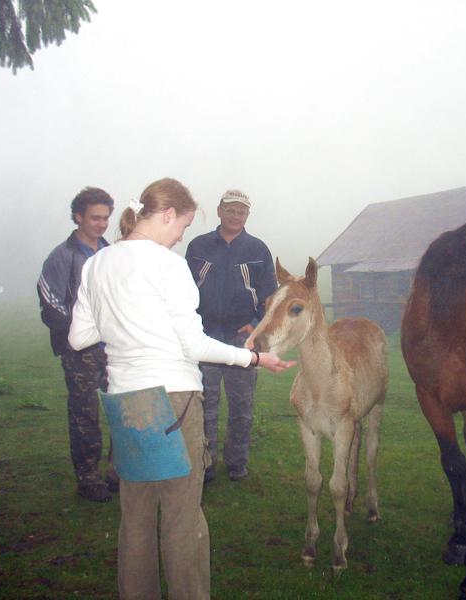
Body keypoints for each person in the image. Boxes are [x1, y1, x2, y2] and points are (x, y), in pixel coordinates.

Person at [68, 178, 294, 600]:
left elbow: (79, 337)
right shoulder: (169, 265)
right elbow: (194, 346)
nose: (179, 237)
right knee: (182, 519)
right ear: (168, 214)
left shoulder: (97, 262)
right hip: (173, 402)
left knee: (136, 518)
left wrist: (125, 322)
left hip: (125, 402)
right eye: (183, 226)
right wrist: (252, 358)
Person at [185, 189, 277, 483]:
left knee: (241, 407)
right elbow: (185, 292)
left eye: (241, 211)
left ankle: (237, 463)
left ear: (247, 215)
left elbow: (270, 298)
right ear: (219, 211)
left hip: (243, 340)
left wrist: (255, 323)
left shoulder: (258, 250)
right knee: (205, 405)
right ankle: (206, 463)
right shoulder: (198, 247)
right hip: (205, 338)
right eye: (230, 210)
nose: (236, 216)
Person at [37, 186, 116, 502]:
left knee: (122, 407)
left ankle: (118, 470)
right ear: (78, 217)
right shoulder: (61, 257)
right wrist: (80, 333)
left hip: (115, 347)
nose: (101, 224)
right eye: (95, 217)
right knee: (84, 414)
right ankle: (88, 478)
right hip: (80, 351)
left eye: (106, 218)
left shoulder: (112, 253)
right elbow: (51, 306)